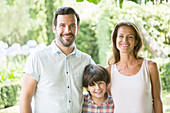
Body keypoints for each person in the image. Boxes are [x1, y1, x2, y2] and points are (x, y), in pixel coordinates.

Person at [20, 7, 95, 113]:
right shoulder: (37, 59)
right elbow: (25, 99)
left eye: (72, 26)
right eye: (62, 25)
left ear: (77, 28)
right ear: (54, 28)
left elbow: (100, 88)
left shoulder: (86, 60)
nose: (67, 30)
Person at [106, 21, 163, 113]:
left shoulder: (150, 67)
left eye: (130, 37)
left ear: (136, 42)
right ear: (115, 39)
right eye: (121, 36)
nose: (125, 40)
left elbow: (157, 100)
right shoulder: (108, 71)